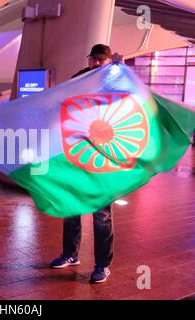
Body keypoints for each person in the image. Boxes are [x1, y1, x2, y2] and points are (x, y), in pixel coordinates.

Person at [50, 44, 121, 284]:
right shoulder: (78, 79)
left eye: (101, 59)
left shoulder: (117, 81)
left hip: (103, 157)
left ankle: (102, 264)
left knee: (101, 215)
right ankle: (70, 254)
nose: (96, 63)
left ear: (109, 61)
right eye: (93, 59)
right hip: (76, 154)